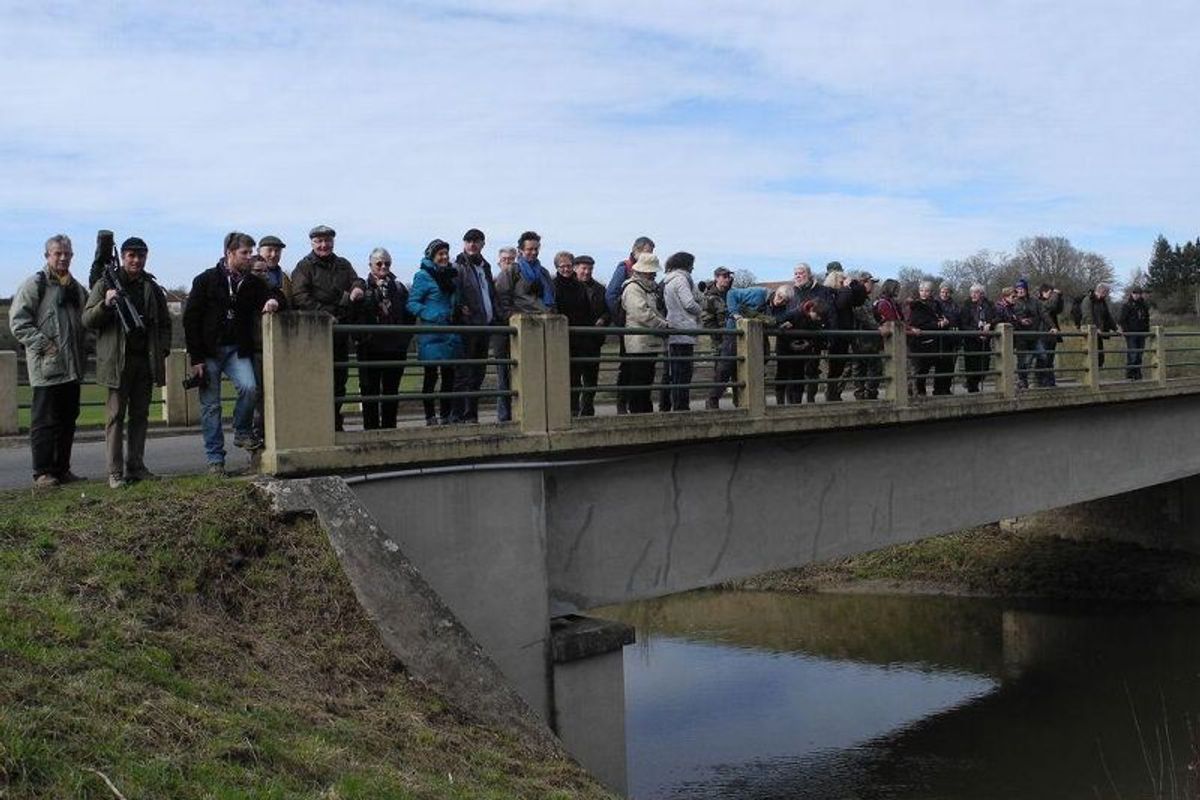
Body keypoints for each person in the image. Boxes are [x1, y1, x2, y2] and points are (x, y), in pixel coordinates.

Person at [183, 232, 281, 475]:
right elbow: (190, 319)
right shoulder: (206, 279)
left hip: (237, 349)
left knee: (250, 388)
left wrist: (272, 301)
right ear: (229, 253)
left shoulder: (252, 282)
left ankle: (242, 430)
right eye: (244, 253)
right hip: (209, 352)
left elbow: (274, 294)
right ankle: (215, 460)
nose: (249, 257)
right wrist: (196, 358)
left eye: (250, 252)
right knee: (211, 407)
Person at [83, 236, 172, 488]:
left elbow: (165, 323)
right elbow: (87, 319)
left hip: (145, 361)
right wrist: (105, 304)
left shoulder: (151, 287)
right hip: (117, 362)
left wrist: (163, 348)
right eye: (131, 255)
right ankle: (115, 472)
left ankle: (136, 466)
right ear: (123, 257)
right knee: (115, 417)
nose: (136, 260)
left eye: (140, 255)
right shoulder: (105, 283)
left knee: (140, 416)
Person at [9, 234, 89, 487]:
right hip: (47, 367)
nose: (63, 257)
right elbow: (18, 323)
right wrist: (46, 345)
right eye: (58, 253)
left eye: (67, 253)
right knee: (44, 422)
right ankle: (43, 473)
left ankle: (62, 470)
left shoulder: (76, 288)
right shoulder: (35, 284)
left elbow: (88, 320)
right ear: (47, 256)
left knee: (67, 420)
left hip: (72, 366)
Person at [291, 224, 365, 431]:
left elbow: (357, 280)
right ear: (312, 243)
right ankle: (317, 423)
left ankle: (335, 421)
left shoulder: (343, 264)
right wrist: (323, 314)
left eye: (327, 241)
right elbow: (300, 295)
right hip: (315, 334)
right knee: (316, 379)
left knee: (340, 379)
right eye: (319, 241)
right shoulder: (304, 267)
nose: (324, 245)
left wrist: (357, 288)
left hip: (340, 332)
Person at [407, 239, 462, 425]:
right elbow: (412, 303)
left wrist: (458, 309)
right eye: (440, 254)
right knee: (430, 376)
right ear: (432, 256)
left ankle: (445, 415)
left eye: (446, 253)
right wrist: (433, 315)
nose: (444, 257)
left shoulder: (450, 275)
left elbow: (451, 300)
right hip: (432, 333)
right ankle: (430, 416)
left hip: (450, 332)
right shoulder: (422, 276)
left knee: (449, 377)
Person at [357, 247, 412, 429]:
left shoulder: (399, 288)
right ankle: (370, 431)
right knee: (369, 392)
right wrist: (361, 338)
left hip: (395, 349)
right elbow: (355, 315)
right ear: (370, 265)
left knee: (391, 392)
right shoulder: (362, 287)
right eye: (379, 263)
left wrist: (404, 340)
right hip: (369, 348)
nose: (383, 266)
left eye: (387, 263)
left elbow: (409, 316)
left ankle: (389, 429)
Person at [452, 229, 499, 423]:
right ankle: (458, 415)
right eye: (468, 241)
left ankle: (471, 414)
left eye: (476, 241)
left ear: (482, 244)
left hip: (484, 326)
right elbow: (455, 292)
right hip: (467, 327)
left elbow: (489, 293)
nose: (472, 244)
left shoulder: (485, 267)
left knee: (478, 374)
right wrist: (460, 308)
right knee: (464, 373)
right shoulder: (458, 266)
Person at [605, 236, 655, 413]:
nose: (650, 255)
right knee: (628, 366)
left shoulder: (646, 272)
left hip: (641, 328)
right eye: (647, 252)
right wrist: (621, 321)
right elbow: (611, 295)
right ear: (636, 250)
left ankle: (636, 403)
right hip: (630, 326)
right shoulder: (625, 268)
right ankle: (622, 402)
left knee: (641, 368)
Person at [554, 255, 609, 416]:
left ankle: (587, 409)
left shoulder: (599, 289)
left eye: (590, 269)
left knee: (591, 377)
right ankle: (573, 409)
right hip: (573, 340)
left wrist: (603, 320)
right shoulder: (566, 286)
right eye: (584, 268)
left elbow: (607, 310)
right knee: (574, 376)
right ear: (576, 268)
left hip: (593, 339)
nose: (587, 272)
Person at [620, 252, 669, 413]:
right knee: (639, 379)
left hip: (647, 341)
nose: (654, 274)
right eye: (651, 271)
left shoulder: (646, 288)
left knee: (646, 378)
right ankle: (638, 411)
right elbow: (641, 313)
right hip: (639, 342)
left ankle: (643, 409)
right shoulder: (633, 288)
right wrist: (663, 325)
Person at [660, 252, 703, 412]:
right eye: (691, 265)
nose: (693, 268)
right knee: (683, 373)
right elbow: (689, 303)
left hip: (675, 328)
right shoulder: (681, 279)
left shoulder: (669, 280)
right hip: (683, 330)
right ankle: (681, 407)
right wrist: (700, 310)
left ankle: (672, 405)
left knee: (675, 372)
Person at [787, 263, 832, 402]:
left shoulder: (821, 291)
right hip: (794, 335)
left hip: (813, 335)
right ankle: (794, 403)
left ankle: (811, 400)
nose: (798, 276)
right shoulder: (792, 292)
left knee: (812, 370)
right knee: (794, 372)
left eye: (801, 273)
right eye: (796, 274)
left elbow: (827, 312)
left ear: (809, 275)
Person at [828, 271, 872, 401]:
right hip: (836, 335)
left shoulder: (846, 294)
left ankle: (833, 393)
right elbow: (841, 304)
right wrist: (846, 288)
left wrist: (854, 285)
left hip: (845, 335)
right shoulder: (833, 294)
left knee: (840, 367)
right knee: (836, 368)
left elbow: (860, 298)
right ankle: (831, 394)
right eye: (842, 281)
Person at [1010, 279, 1054, 390]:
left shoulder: (1035, 301)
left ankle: (1039, 378)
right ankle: (1022, 381)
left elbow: (1044, 314)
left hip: (1034, 335)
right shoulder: (1014, 302)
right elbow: (1011, 316)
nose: (1020, 291)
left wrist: (1052, 326)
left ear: (1026, 289)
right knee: (1023, 361)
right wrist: (1020, 321)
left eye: (1022, 289)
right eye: (1018, 289)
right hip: (1021, 336)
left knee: (1043, 356)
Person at [700, 266, 735, 409]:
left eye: (728, 276)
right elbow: (707, 322)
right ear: (716, 278)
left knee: (737, 370)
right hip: (720, 341)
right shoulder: (710, 298)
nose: (727, 279)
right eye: (724, 276)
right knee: (721, 371)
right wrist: (721, 333)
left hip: (734, 339)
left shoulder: (732, 294)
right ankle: (712, 401)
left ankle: (740, 402)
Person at [492, 247, 518, 422]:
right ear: (499, 262)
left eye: (511, 259)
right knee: (503, 375)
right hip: (501, 332)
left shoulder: (519, 283)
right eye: (504, 259)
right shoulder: (493, 283)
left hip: (519, 332)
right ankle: (504, 415)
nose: (508, 262)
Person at [906, 281, 944, 396]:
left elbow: (939, 316)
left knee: (925, 368)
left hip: (931, 340)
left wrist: (942, 320)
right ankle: (915, 391)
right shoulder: (915, 305)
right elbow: (917, 322)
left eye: (927, 291)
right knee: (917, 367)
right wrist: (936, 324)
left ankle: (920, 391)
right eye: (922, 290)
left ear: (931, 292)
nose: (924, 293)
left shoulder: (935, 304)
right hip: (917, 341)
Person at [960, 284, 996, 393]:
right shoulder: (966, 306)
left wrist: (990, 324)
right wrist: (976, 332)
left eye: (976, 292)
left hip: (985, 340)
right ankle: (972, 388)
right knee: (972, 365)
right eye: (972, 292)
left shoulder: (989, 305)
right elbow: (963, 325)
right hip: (971, 340)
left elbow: (997, 316)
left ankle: (974, 382)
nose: (973, 295)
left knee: (985, 365)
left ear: (982, 294)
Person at [933, 284, 962, 395]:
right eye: (943, 292)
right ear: (939, 292)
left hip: (952, 337)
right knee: (940, 364)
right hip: (940, 338)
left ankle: (947, 388)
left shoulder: (955, 305)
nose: (945, 294)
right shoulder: (935, 304)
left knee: (950, 364)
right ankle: (938, 389)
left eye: (947, 292)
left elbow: (958, 319)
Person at [1080, 283, 1118, 368]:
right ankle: (1090, 372)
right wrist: (1094, 327)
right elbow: (1087, 315)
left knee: (1099, 355)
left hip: (1098, 332)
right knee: (1091, 354)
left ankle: (1097, 371)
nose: (1107, 294)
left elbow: (1108, 316)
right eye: (1106, 292)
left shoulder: (1102, 302)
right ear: (1101, 291)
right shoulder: (1088, 300)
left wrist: (1115, 328)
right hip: (1089, 330)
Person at [1118, 285, 1151, 380]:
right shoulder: (1127, 305)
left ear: (1141, 295)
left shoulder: (1144, 306)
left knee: (1140, 354)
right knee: (1133, 354)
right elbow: (1122, 320)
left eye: (1138, 294)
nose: (1136, 295)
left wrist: (1146, 331)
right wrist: (1126, 332)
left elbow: (1146, 319)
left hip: (1141, 333)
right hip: (1131, 333)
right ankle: (1130, 374)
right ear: (1132, 294)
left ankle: (1137, 373)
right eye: (1135, 293)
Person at [255, 235, 294, 306]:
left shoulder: (285, 278)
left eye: (277, 251)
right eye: (269, 250)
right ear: (258, 251)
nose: (273, 255)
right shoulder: (249, 275)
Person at [1037, 284, 1064, 387]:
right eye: (1050, 293)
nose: (1052, 295)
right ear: (1043, 292)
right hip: (1043, 333)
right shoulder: (1039, 302)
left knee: (1050, 359)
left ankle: (1050, 381)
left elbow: (1058, 309)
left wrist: (1059, 297)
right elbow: (1050, 306)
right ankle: (1042, 381)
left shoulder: (1049, 301)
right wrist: (1056, 295)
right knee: (1044, 358)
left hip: (1051, 335)